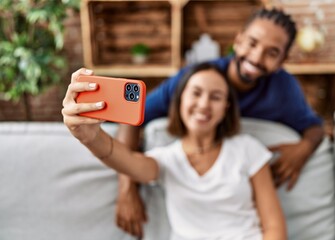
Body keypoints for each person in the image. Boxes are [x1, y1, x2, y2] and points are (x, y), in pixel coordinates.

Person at [115, 7, 325, 238]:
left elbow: (315, 127)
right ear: (238, 39)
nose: (256, 58)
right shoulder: (198, 79)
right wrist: (127, 188)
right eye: (252, 43)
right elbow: (132, 115)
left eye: (271, 53)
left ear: (282, 60)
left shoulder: (283, 89)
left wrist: (303, 149)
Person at [62, 63, 287, 240]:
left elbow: (274, 227)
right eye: (196, 93)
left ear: (226, 107)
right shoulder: (167, 159)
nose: (204, 104)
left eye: (216, 97)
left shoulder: (247, 148)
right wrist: (91, 137)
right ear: (180, 100)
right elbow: (126, 161)